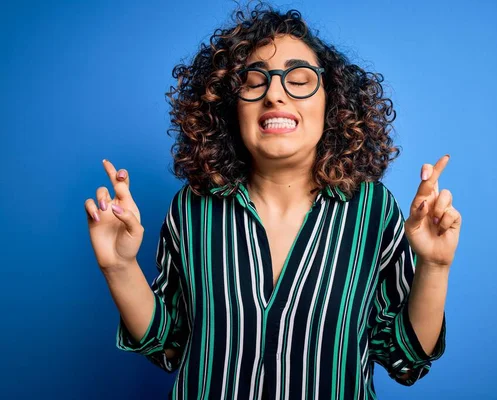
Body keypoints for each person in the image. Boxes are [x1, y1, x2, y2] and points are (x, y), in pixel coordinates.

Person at [85, 3, 461, 399]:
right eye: (254, 81)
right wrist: (119, 266)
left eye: (299, 79)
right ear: (231, 106)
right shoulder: (192, 209)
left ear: (331, 102)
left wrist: (435, 266)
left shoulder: (372, 210)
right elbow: (168, 344)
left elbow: (406, 358)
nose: (275, 95)